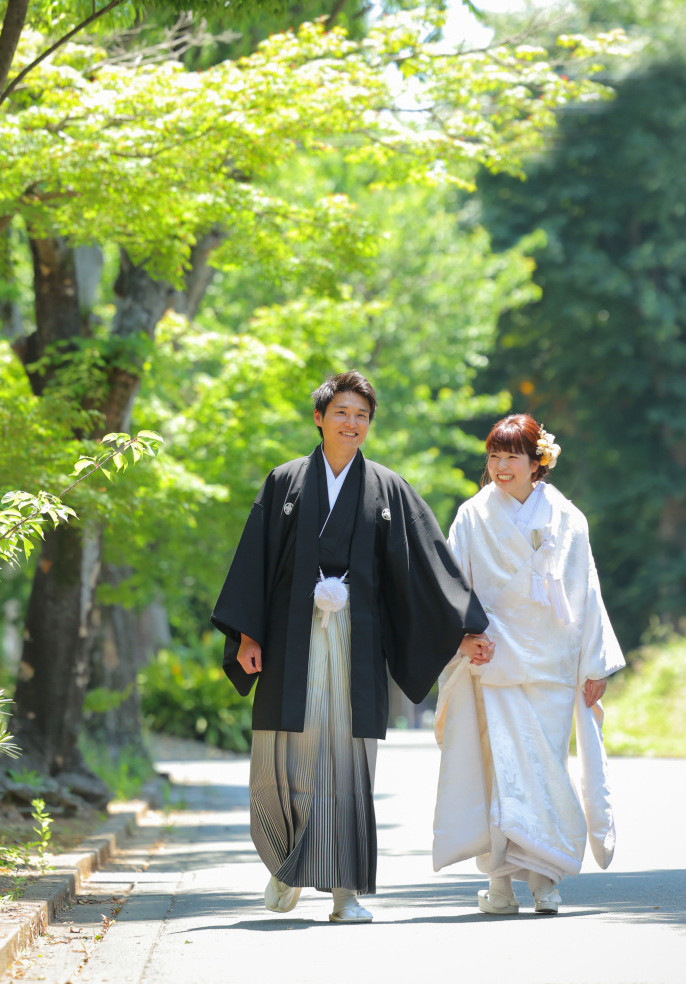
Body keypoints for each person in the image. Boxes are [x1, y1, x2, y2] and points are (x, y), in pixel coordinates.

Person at [212, 370, 491, 924]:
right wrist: (247, 634)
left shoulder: (386, 488)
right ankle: (288, 864)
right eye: (341, 412)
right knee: (285, 760)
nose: (352, 423)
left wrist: (463, 625)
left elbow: (424, 566)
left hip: (354, 644)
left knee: (347, 764)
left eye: (362, 415)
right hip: (293, 641)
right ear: (319, 419)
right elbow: (255, 562)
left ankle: (346, 891)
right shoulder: (285, 482)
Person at [432, 413, 625, 916]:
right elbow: (455, 586)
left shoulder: (568, 519)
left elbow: (587, 593)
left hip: (553, 666)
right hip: (494, 660)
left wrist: (594, 664)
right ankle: (500, 884)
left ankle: (544, 876)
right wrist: (466, 636)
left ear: (537, 461)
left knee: (546, 773)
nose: (500, 466)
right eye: (493, 456)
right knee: (498, 775)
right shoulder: (472, 516)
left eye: (511, 456)